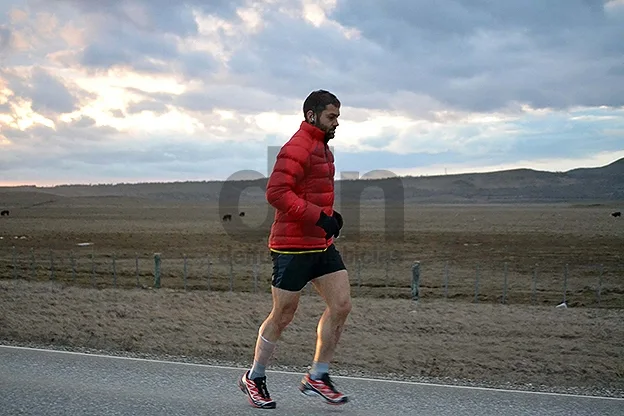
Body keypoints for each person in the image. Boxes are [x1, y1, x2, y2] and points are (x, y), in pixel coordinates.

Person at [238, 90, 352, 409]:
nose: (337, 123)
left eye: (338, 117)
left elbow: (312, 192)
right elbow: (276, 193)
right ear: (312, 116)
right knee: (284, 314)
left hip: (320, 244)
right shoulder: (297, 146)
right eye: (332, 117)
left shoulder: (323, 149)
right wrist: (319, 217)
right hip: (291, 246)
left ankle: (318, 375)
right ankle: (255, 377)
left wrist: (330, 218)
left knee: (341, 305)